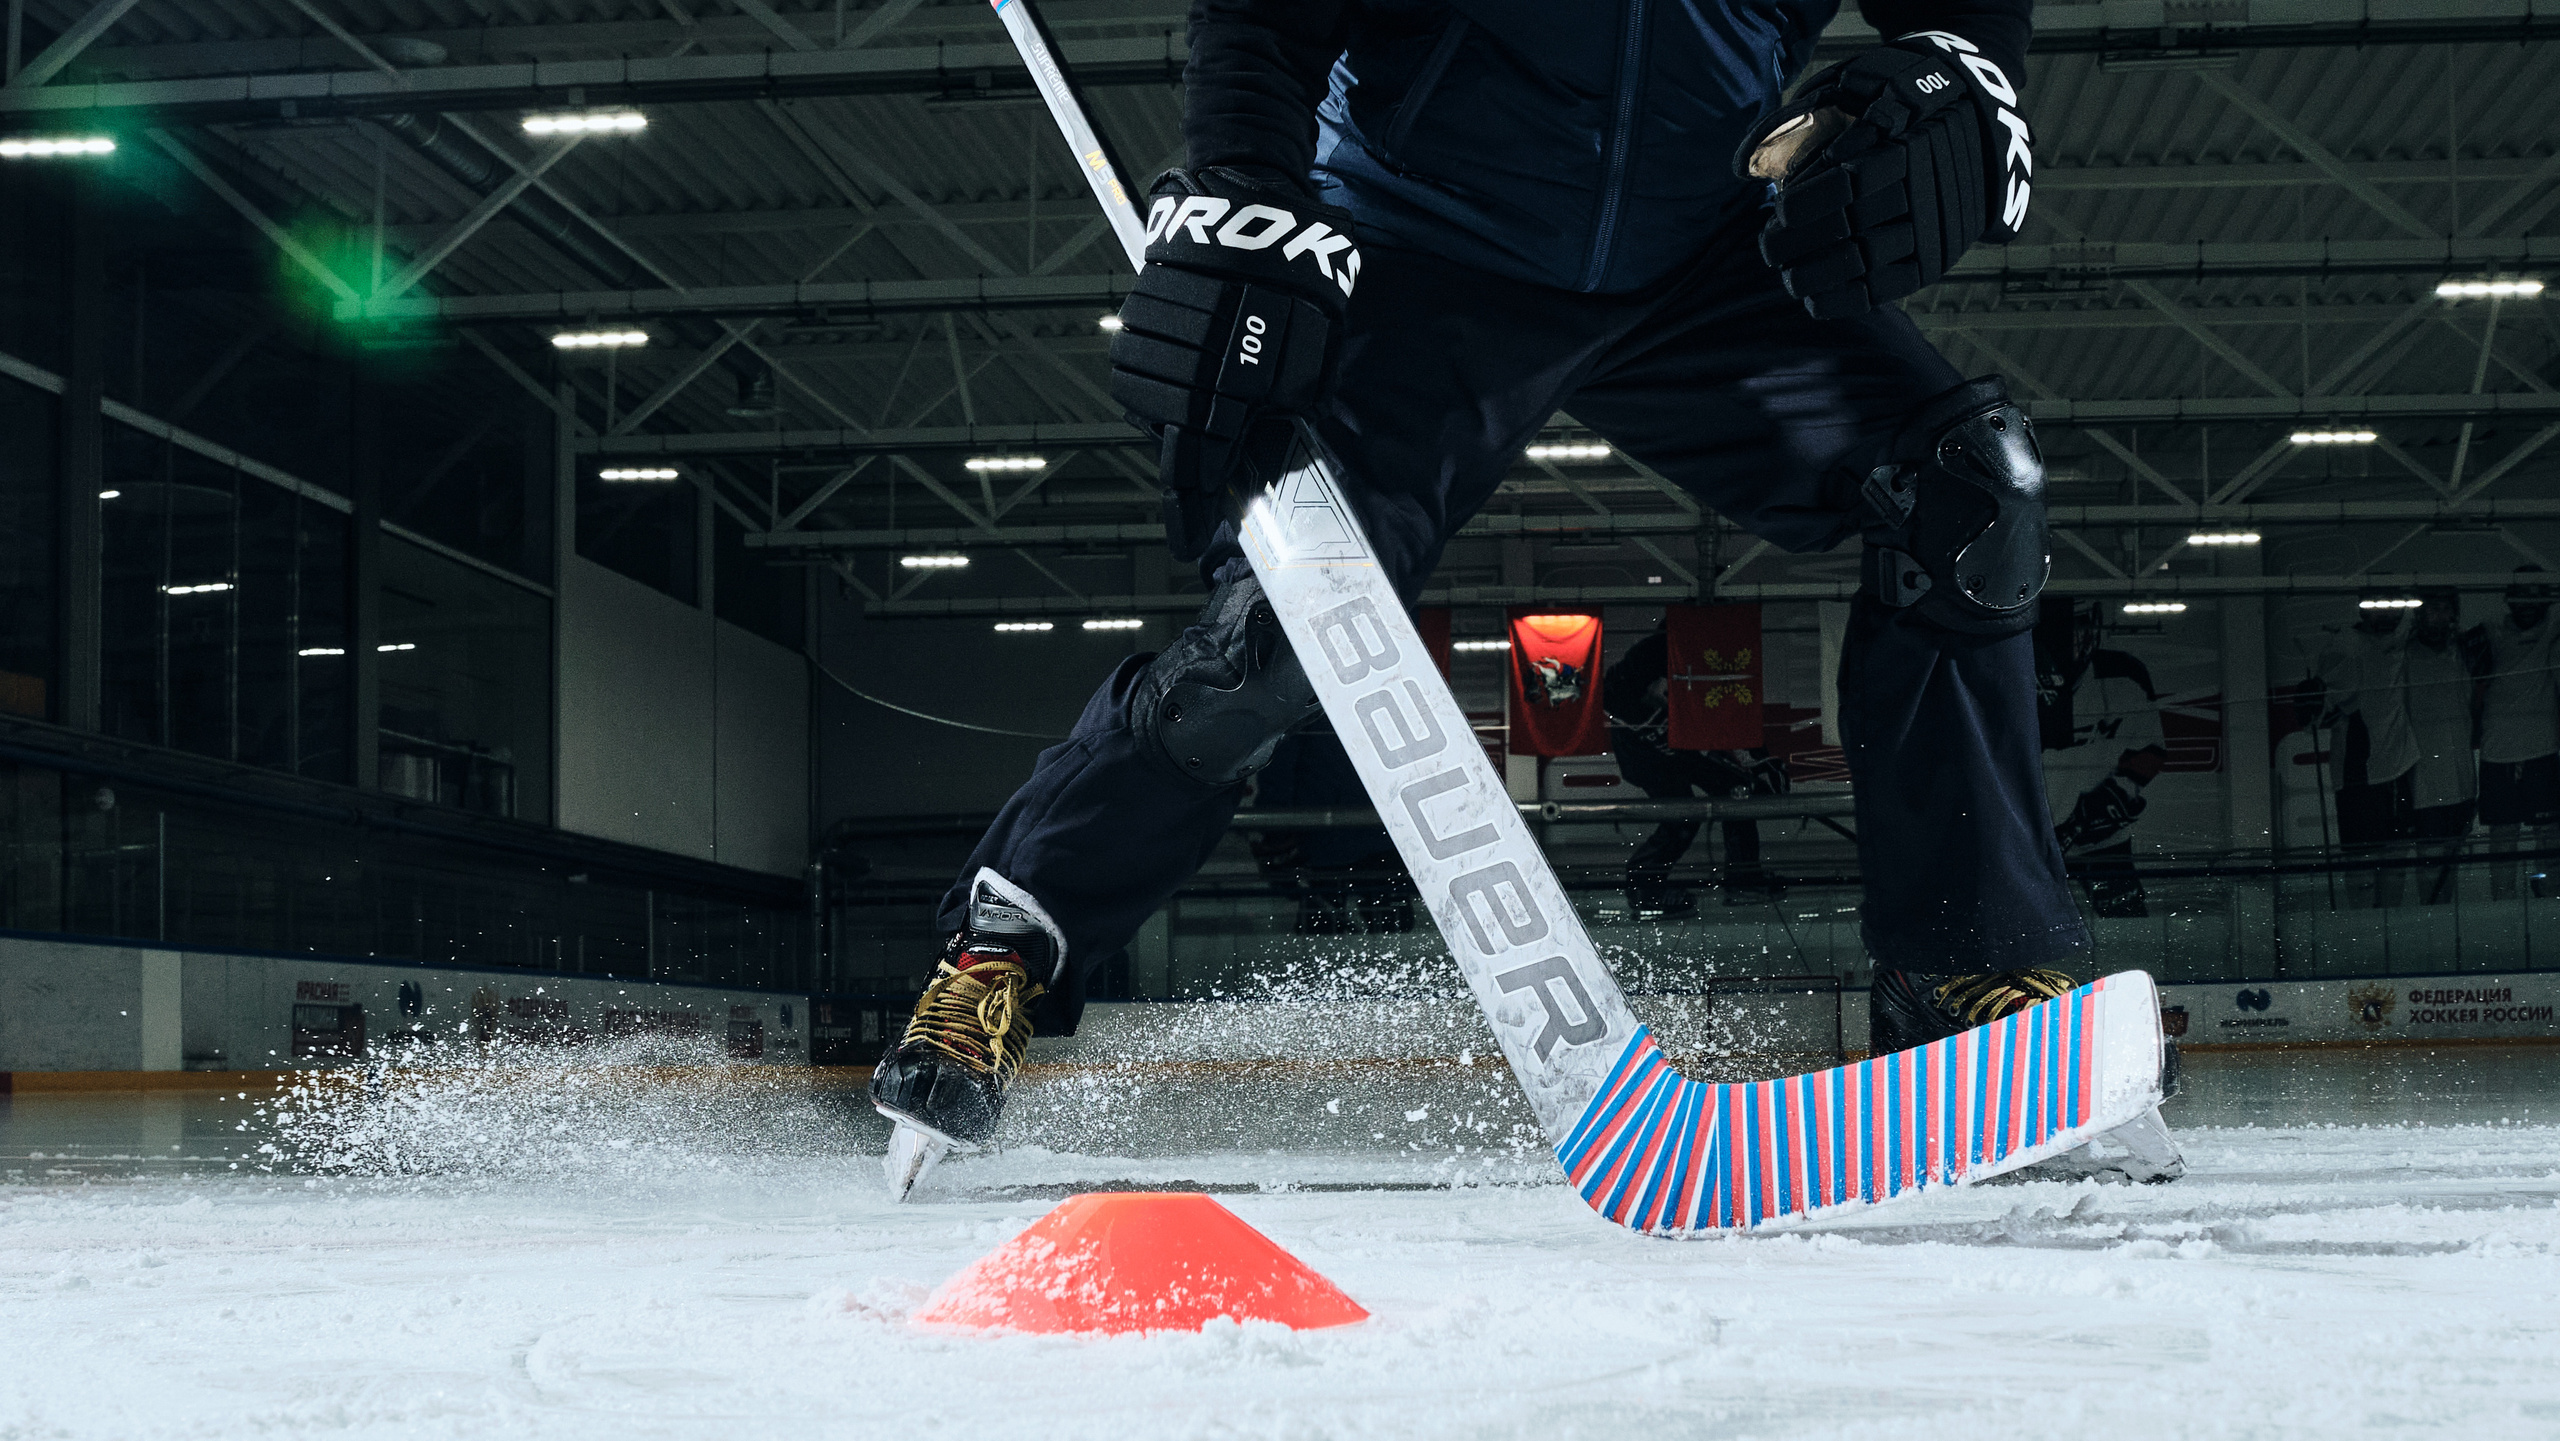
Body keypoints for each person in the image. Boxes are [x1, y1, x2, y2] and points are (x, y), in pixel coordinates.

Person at [873, 0, 2085, 1155]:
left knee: (1967, 490)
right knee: (1281, 639)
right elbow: (1266, 17)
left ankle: (1966, 974)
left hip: (1704, 248)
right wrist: (1245, 186)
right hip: (1423, 240)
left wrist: (1963, 67)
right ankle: (1006, 945)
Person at [1601, 621, 1788, 917]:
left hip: (1676, 742)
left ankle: (1742, 877)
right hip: (1648, 748)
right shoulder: (1653, 654)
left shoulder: (1705, 660)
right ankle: (1645, 888)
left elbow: (1731, 711)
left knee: (1734, 794)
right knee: (1683, 813)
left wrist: (1757, 759)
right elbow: (1611, 692)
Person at [2036, 600, 2169, 918]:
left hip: (2104, 843)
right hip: (2033, 846)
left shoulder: (2124, 675)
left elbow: (2151, 751)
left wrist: (2116, 793)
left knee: (2127, 925)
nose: (2068, 638)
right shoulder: (2011, 682)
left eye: (2079, 625)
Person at [2308, 602, 2420, 908]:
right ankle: (2364, 947)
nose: (2387, 614)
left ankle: (2391, 945)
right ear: (2362, 610)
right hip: (2358, 774)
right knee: (2362, 873)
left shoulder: (2401, 638)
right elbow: (2317, 715)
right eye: (2377, 607)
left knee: (2395, 867)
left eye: (2393, 608)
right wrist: (2317, 703)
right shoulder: (2343, 647)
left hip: (2398, 769)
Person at [2472, 567, 2560, 898]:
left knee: (2548, 835)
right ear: (2509, 599)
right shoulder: (2491, 631)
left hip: (2541, 750)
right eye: (2520, 595)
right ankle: (2503, 908)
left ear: (2546, 600)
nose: (2527, 603)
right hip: (2497, 754)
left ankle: (2550, 904)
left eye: (2535, 595)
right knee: (2503, 838)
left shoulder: (2554, 629)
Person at [2399, 590, 2486, 903]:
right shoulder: (2406, 656)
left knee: (2453, 860)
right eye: (2431, 609)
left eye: (2444, 609)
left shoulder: (2463, 654)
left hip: (2462, 779)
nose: (2438, 616)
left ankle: (2447, 924)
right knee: (2430, 861)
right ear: (2419, 615)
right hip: (2425, 781)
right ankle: (2432, 923)